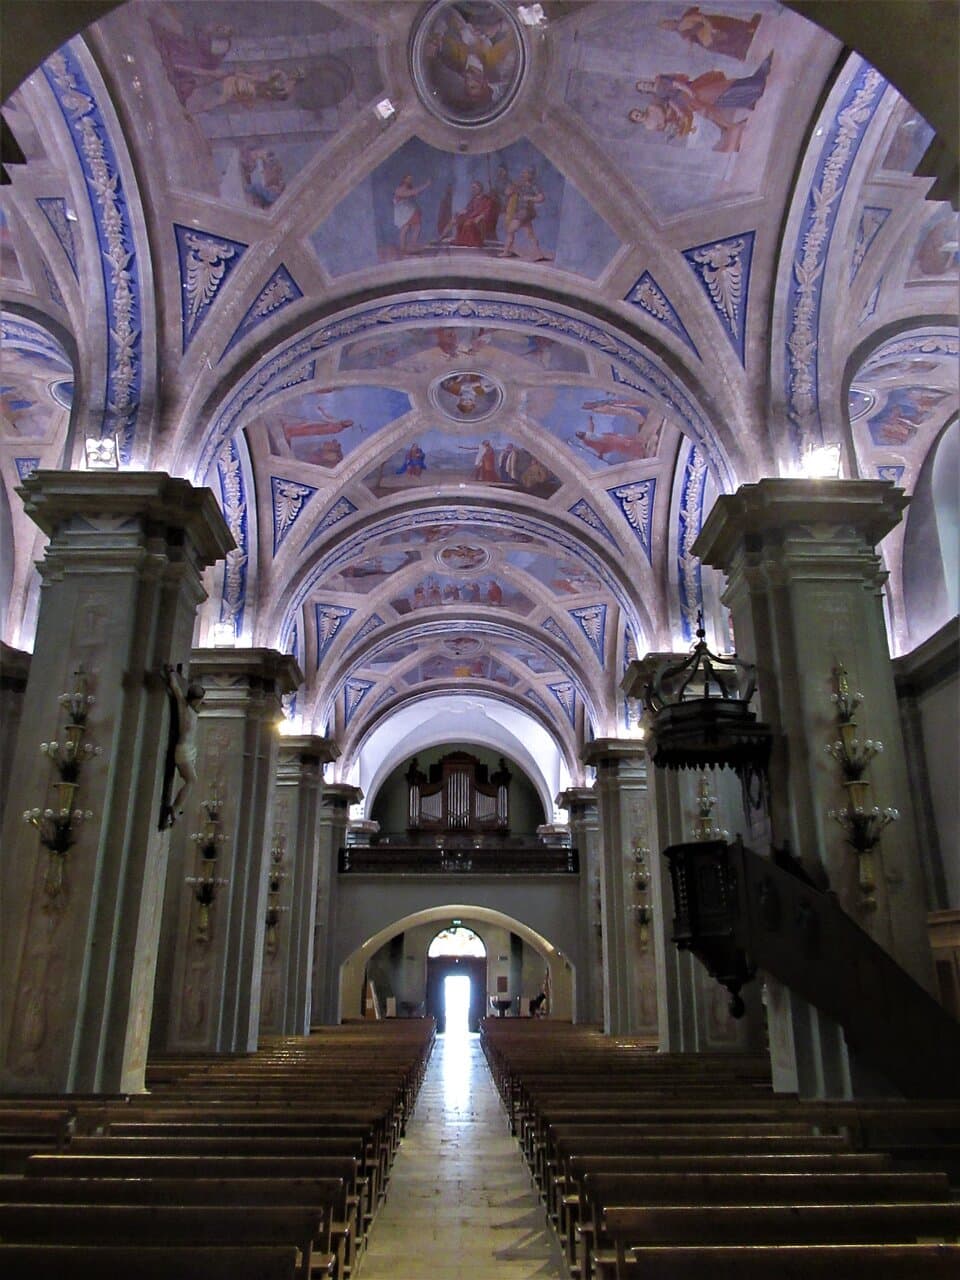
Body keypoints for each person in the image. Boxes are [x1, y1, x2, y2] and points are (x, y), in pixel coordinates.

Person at [630, 52, 773, 154]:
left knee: (717, 90)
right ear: (645, 92)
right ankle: (746, 100)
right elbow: (670, 102)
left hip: (690, 92)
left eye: (644, 84)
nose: (645, 86)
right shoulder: (657, 99)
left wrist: (689, 92)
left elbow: (677, 84)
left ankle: (754, 83)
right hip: (686, 103)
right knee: (710, 109)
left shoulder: (660, 82)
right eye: (643, 88)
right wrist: (679, 113)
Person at [160, 665, 204, 829]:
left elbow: (177, 687)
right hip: (183, 749)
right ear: (197, 699)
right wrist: (172, 673)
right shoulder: (184, 706)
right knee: (191, 780)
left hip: (188, 749)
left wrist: (174, 674)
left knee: (191, 780)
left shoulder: (191, 709)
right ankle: (175, 809)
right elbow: (175, 688)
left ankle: (175, 809)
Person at [501, 168, 551, 260]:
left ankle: (506, 251)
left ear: (530, 175)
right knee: (529, 233)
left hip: (524, 212)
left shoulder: (533, 186)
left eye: (525, 173)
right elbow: (507, 192)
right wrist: (512, 187)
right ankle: (539, 254)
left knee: (510, 230)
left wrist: (529, 198)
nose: (523, 174)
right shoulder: (520, 185)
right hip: (521, 211)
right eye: (523, 172)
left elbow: (541, 198)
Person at [394, 174, 432, 253]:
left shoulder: (407, 188)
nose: (409, 181)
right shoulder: (400, 189)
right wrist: (426, 185)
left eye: (410, 179)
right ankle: (405, 247)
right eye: (408, 179)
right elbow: (410, 193)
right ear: (403, 180)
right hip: (404, 212)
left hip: (408, 211)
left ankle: (411, 245)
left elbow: (413, 194)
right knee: (407, 228)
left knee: (414, 227)